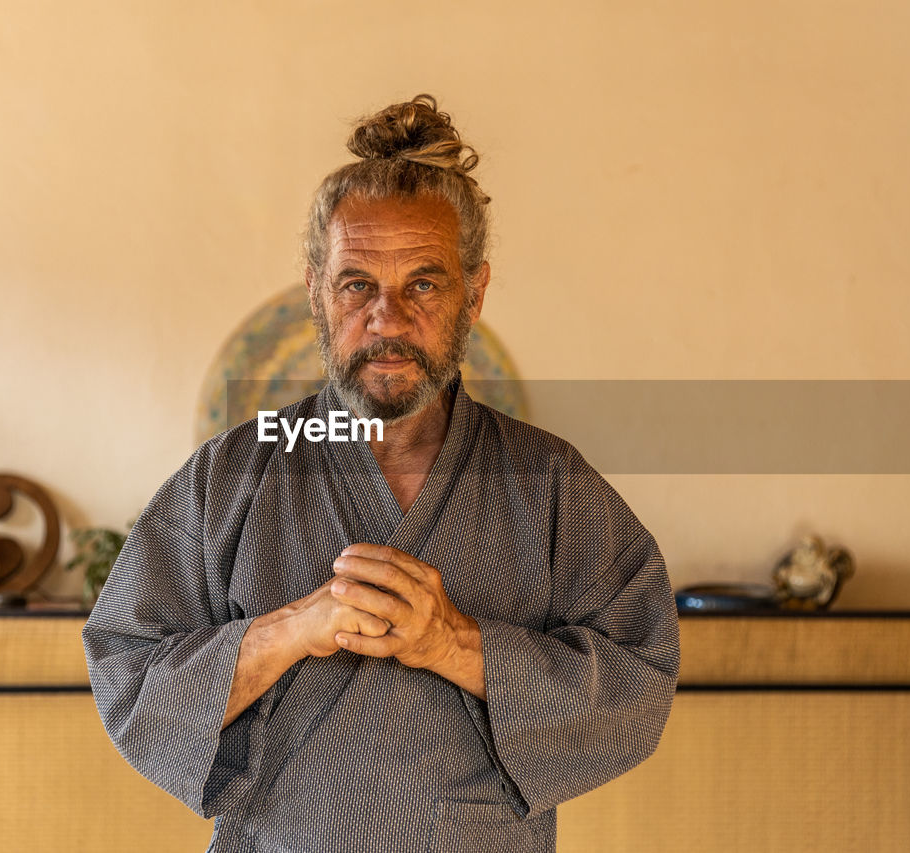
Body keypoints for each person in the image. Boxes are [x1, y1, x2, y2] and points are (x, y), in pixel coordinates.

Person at [82, 94, 679, 853]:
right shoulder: (232, 473)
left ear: (476, 291)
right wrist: (295, 628)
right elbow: (129, 674)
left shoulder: (549, 481)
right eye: (357, 283)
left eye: (423, 285)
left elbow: (639, 680)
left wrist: (454, 643)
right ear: (316, 291)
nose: (387, 319)